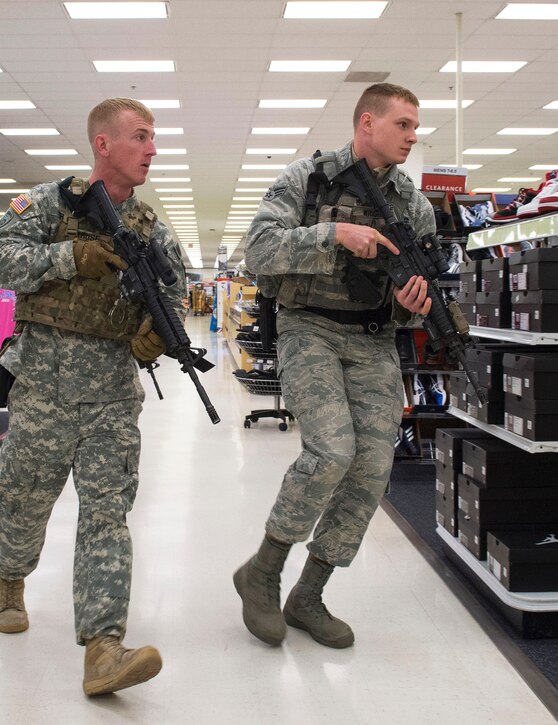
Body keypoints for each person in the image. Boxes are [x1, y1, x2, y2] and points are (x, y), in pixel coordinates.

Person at [0, 98, 186, 696]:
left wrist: (157, 335)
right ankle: (10, 580)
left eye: (153, 139)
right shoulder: (49, 203)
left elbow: (171, 289)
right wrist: (70, 256)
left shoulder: (150, 226)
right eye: (141, 137)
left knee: (108, 514)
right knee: (25, 498)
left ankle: (103, 647)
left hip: (112, 395)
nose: (152, 149)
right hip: (43, 383)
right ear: (103, 144)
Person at [234, 83, 435, 649]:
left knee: (373, 465)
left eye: (415, 127)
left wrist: (413, 305)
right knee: (330, 450)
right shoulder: (307, 179)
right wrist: (335, 234)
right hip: (309, 328)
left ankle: (309, 593)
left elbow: (409, 296)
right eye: (403, 124)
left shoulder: (413, 205)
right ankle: (263, 574)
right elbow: (258, 249)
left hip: (372, 340)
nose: (412, 136)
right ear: (366, 123)